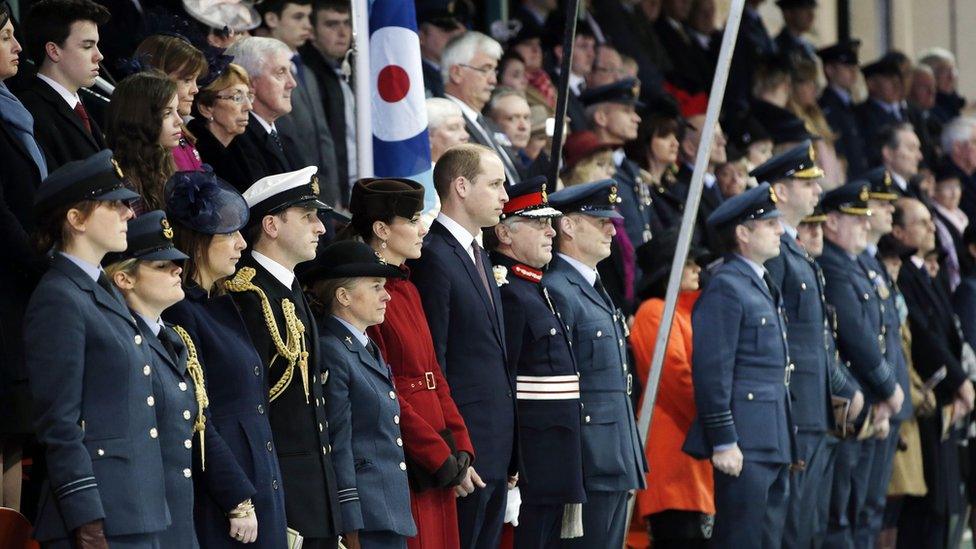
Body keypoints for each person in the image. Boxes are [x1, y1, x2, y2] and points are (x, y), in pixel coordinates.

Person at [24, 150, 173, 548]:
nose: (128, 213)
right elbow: (60, 422)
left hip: (138, 509)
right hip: (100, 517)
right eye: (113, 204)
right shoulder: (59, 297)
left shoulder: (99, 291)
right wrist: (86, 517)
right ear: (76, 219)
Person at [339, 177, 475, 549]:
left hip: (436, 447)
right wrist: (435, 454)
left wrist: (459, 444)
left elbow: (435, 374)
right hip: (408, 454)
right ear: (382, 230)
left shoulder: (409, 289)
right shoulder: (368, 298)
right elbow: (385, 387)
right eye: (413, 219)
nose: (423, 228)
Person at [162, 169, 289, 548]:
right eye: (229, 235)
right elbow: (198, 413)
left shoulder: (223, 303)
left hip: (258, 475)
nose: (240, 244)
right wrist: (235, 496)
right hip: (226, 492)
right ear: (199, 242)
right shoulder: (182, 311)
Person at [407, 144, 515, 548]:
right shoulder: (434, 256)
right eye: (496, 184)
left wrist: (510, 449)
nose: (505, 196)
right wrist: (451, 451)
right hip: (464, 450)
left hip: (494, 445)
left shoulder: (479, 254)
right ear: (462, 186)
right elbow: (435, 361)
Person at [228, 167, 342, 548]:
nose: (320, 228)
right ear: (272, 225)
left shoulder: (289, 288)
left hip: (313, 491)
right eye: (308, 217)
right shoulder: (250, 295)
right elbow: (252, 405)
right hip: (281, 491)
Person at [681, 183, 793, 548]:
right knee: (740, 538)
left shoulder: (758, 282)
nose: (780, 230)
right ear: (742, 234)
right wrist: (723, 438)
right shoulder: (727, 287)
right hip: (744, 439)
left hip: (770, 436)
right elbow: (712, 371)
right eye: (770, 223)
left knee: (767, 538)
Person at [546, 179, 647, 547]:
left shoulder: (591, 286)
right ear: (568, 226)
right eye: (598, 219)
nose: (611, 227)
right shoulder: (558, 288)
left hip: (613, 453)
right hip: (589, 458)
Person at [753, 142, 844, 549]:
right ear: (781, 192)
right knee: (790, 527)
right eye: (806, 183)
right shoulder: (777, 253)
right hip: (794, 405)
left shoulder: (794, 250)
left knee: (808, 524)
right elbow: (776, 333)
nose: (816, 191)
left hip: (814, 403)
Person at [486, 177, 586, 547]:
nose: (551, 231)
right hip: (530, 461)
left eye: (550, 222)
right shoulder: (508, 291)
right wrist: (513, 464)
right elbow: (506, 382)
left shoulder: (534, 286)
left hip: (553, 458)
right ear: (504, 233)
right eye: (538, 223)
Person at [306, 240, 417, 548]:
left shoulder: (363, 345)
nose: (386, 295)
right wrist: (350, 520)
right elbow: (338, 442)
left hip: (387, 510)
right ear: (343, 296)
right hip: (366, 516)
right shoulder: (333, 349)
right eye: (375, 286)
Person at [104, 211, 200, 548]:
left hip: (175, 520)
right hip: (137, 523)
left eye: (175, 263)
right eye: (161, 265)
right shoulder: (122, 343)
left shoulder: (170, 339)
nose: (177, 269)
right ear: (124, 279)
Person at [818, 181, 905, 548]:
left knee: (867, 507)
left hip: (876, 404)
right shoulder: (832, 265)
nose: (865, 226)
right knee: (843, 511)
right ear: (832, 223)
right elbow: (854, 334)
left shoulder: (862, 263)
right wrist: (886, 388)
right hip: (855, 406)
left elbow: (885, 330)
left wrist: (887, 394)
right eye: (856, 219)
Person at [891, 197, 971, 548]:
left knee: (942, 507)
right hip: (927, 398)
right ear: (899, 231)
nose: (930, 228)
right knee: (927, 508)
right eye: (921, 222)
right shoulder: (906, 273)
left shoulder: (924, 270)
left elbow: (947, 332)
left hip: (945, 398)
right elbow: (924, 336)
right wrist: (960, 382)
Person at [630, 229, 714, 548]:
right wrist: (719, 416)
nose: (697, 270)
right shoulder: (655, 311)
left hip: (690, 459)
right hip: (673, 462)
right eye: (690, 263)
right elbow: (677, 379)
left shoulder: (680, 312)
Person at [0, 3, 46, 511]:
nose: (18, 48)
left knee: (13, 435)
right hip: (8, 286)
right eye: (7, 37)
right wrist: (41, 262)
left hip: (19, 292)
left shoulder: (11, 105)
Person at [259, 0, 341, 207]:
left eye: (308, 17)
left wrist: (332, 194)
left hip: (320, 190)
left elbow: (324, 138)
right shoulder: (259, 71)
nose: (307, 25)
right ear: (271, 19)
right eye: (298, 17)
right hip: (289, 189)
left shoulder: (308, 72)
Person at [17, 0, 110, 170]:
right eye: (87, 46)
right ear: (53, 51)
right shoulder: (31, 113)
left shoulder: (76, 106)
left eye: (96, 45)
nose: (99, 55)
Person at [442, 31, 521, 184]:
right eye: (485, 69)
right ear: (457, 73)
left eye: (494, 70)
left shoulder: (490, 124)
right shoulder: (446, 125)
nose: (493, 80)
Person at [225, 37, 304, 183]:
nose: (292, 83)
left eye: (290, 72)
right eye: (280, 73)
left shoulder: (285, 128)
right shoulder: (237, 139)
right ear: (249, 83)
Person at [300, 0, 356, 202]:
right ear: (312, 31)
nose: (343, 32)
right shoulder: (307, 75)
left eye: (347, 23)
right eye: (332, 24)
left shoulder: (351, 68)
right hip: (330, 194)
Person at [105, 70, 184, 213]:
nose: (179, 121)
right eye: (167, 113)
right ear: (140, 119)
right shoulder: (122, 185)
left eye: (177, 110)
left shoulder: (163, 163)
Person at [135, 34, 208, 172]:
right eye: (187, 80)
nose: (195, 90)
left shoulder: (181, 134)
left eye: (196, 80)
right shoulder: (155, 142)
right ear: (158, 78)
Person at [189, 63, 267, 193]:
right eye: (237, 97)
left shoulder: (247, 150)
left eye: (249, 97)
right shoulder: (195, 154)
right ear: (206, 108)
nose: (249, 107)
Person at [818, 39, 870, 178]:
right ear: (829, 70)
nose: (854, 72)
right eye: (847, 67)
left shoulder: (853, 104)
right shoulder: (824, 106)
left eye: (855, 67)